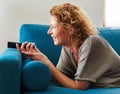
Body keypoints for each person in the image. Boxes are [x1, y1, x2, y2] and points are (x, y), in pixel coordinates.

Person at [16, 3, 120, 90]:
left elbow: (79, 86)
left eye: (53, 27)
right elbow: (59, 75)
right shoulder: (68, 47)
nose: (49, 32)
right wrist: (38, 57)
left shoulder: (92, 43)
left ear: (70, 29)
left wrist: (46, 61)